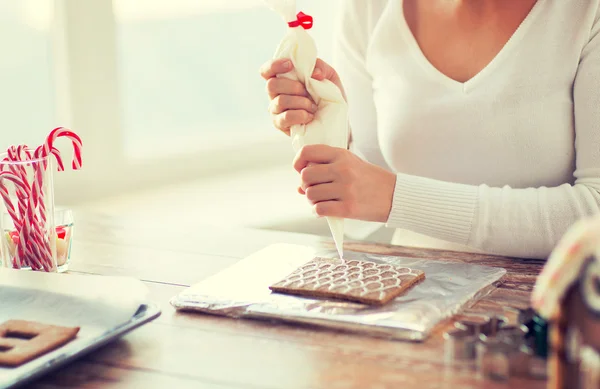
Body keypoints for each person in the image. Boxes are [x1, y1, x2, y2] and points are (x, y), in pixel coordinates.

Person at [259, 0, 600, 259]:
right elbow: (372, 174)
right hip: (410, 296)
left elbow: (594, 212)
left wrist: (395, 198)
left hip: (559, 314)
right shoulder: (368, 9)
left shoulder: (585, 13)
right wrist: (328, 125)